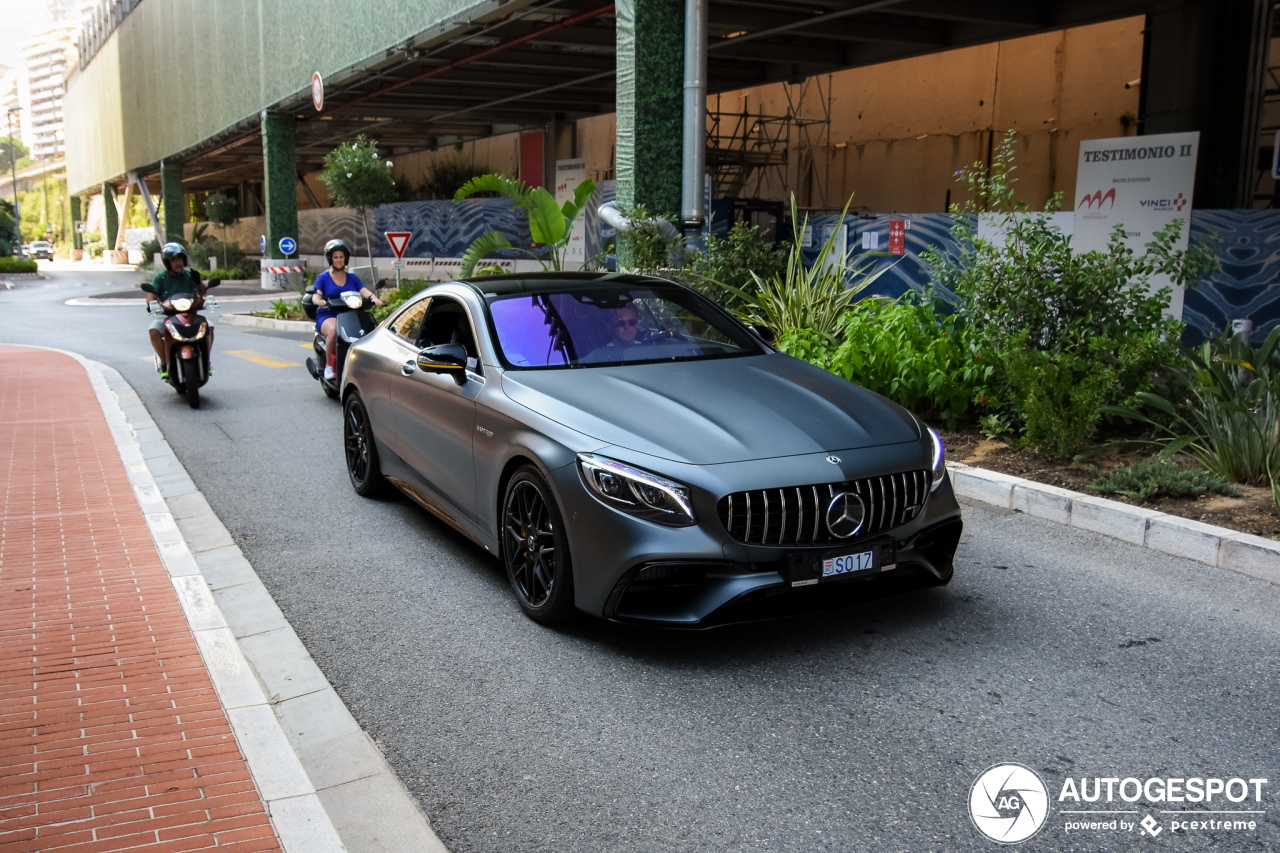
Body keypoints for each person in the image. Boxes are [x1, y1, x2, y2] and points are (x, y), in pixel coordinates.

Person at [312, 239, 382, 379]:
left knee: (370, 330)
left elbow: (364, 290)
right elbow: (316, 295)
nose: (338, 260)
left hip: (350, 315)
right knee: (333, 330)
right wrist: (319, 301)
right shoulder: (323, 277)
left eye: (341, 257)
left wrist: (374, 298)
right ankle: (329, 367)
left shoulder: (352, 277)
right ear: (330, 259)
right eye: (335, 257)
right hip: (328, 314)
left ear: (346, 259)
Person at [147, 242, 210, 377]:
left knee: (210, 327)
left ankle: (207, 360)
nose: (178, 263)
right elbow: (151, 295)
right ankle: (164, 363)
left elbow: (202, 292)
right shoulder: (161, 278)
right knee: (153, 331)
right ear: (168, 263)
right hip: (168, 315)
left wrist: (198, 282)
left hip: (191, 314)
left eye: (180, 259)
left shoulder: (190, 275)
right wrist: (151, 304)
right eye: (174, 260)